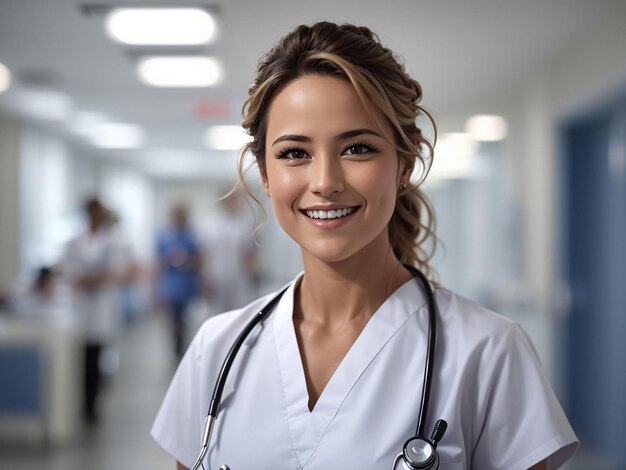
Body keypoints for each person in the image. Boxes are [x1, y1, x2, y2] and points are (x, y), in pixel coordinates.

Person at [151, 22, 578, 469]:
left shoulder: (487, 352)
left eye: (357, 148)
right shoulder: (217, 349)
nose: (325, 183)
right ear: (265, 176)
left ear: (403, 165)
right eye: (295, 153)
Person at [62, 197, 134, 424]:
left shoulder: (114, 240)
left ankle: (92, 405)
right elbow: (68, 271)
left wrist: (92, 279)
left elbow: (120, 271)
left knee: (96, 356)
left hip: (103, 306)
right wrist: (93, 278)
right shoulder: (74, 240)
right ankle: (83, 402)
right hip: (82, 307)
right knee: (83, 357)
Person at [156, 204, 203, 361]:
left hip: (188, 285)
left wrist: (188, 262)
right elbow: (159, 263)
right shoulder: (165, 236)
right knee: (174, 321)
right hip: (171, 286)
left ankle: (185, 349)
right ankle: (177, 351)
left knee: (187, 320)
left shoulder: (192, 236)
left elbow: (199, 260)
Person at [201, 189, 257, 314]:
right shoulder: (211, 223)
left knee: (238, 311)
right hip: (216, 275)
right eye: (233, 199)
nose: (236, 202)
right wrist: (204, 279)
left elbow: (248, 253)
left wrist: (253, 276)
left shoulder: (244, 223)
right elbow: (205, 254)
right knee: (216, 312)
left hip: (239, 276)